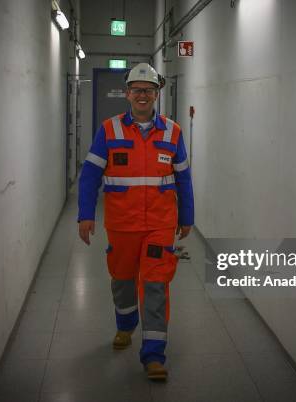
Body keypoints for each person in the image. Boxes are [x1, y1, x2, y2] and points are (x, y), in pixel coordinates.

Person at [77, 63, 194, 380]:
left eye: (149, 90)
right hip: (122, 224)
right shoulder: (109, 130)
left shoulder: (173, 132)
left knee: (156, 285)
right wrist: (85, 215)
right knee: (123, 278)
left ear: (157, 94)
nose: (143, 95)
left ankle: (154, 355)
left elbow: (183, 178)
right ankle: (125, 325)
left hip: (160, 224)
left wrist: (187, 217)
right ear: (128, 93)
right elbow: (89, 176)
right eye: (137, 90)